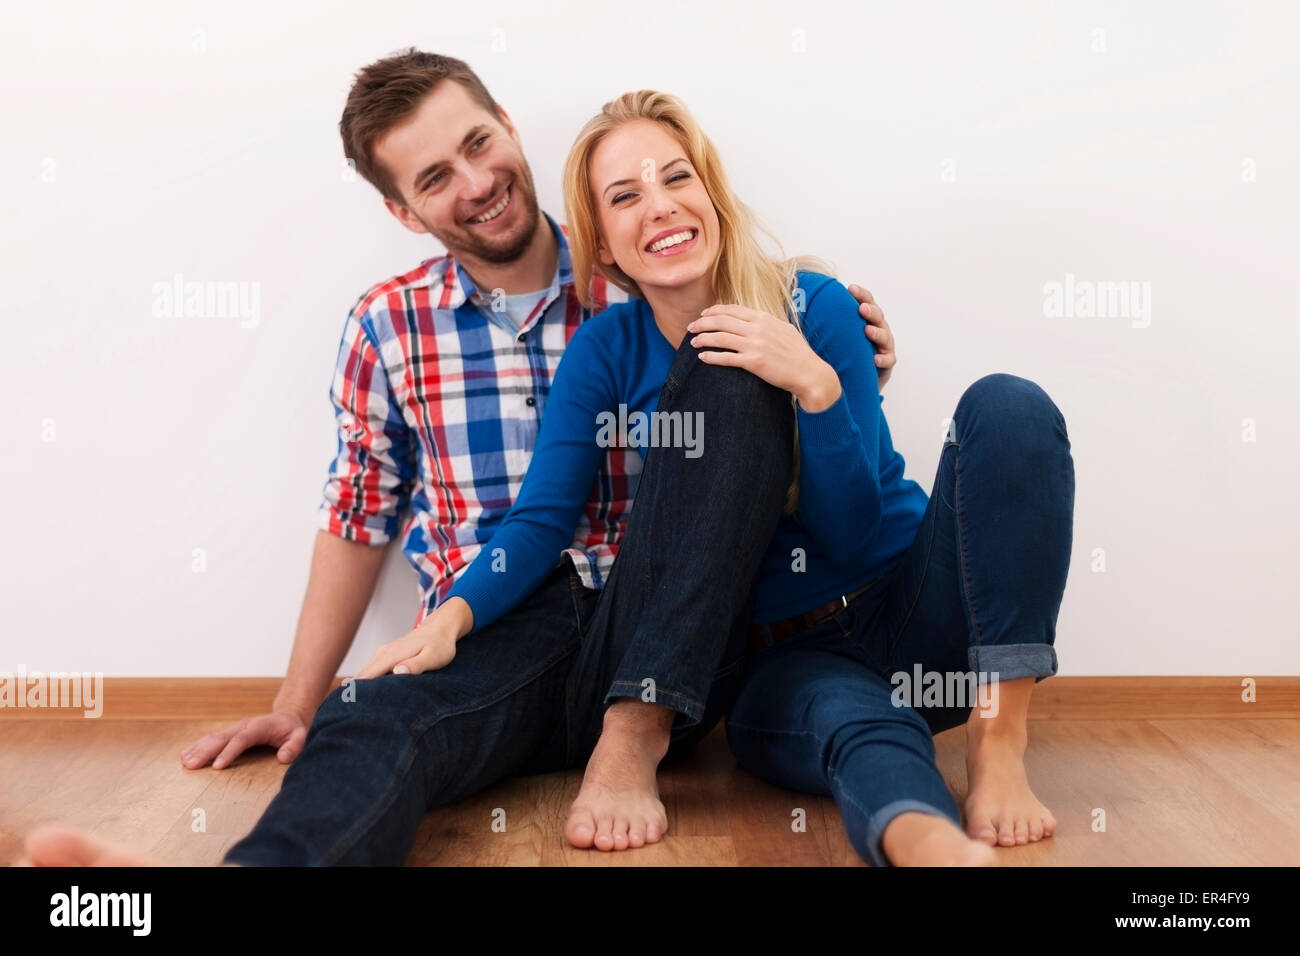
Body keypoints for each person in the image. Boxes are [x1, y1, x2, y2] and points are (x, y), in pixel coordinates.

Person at [14, 50, 895, 867]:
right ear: (403, 210)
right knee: (363, 716)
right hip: (493, 633)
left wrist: (846, 356)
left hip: (657, 615)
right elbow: (360, 509)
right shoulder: (387, 325)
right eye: (436, 177)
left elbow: (757, 385)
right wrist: (298, 699)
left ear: (510, 126)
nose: (478, 184)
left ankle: (636, 731)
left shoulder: (642, 258)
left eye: (479, 144)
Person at [396, 87, 1074, 866]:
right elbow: (541, 519)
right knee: (859, 729)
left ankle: (999, 743)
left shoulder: (813, 304)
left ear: (711, 197)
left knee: (1009, 406)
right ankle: (931, 848)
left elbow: (851, 536)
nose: (660, 205)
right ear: (607, 248)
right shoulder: (605, 352)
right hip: (779, 660)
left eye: (676, 178)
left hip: (914, 601)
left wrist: (816, 389)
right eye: (626, 195)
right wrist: (452, 616)